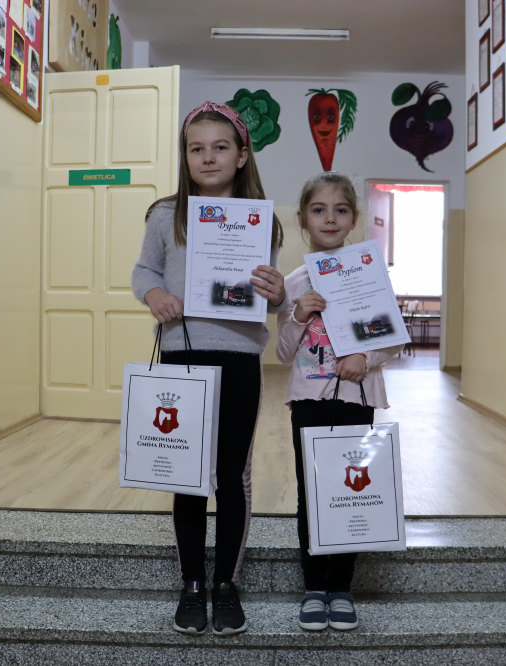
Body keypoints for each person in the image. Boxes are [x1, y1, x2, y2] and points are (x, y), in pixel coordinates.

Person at [132, 102, 285, 636]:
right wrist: (153, 294)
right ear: (186, 157)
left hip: (239, 359)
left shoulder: (261, 219)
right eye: (196, 148)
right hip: (182, 355)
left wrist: (277, 293)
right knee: (187, 476)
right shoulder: (165, 214)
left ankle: (226, 584)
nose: (208, 157)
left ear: (242, 155)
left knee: (231, 476)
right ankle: (193, 584)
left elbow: (270, 296)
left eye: (220, 147)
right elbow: (144, 271)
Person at [276, 172, 402, 631]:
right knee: (311, 493)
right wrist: (298, 315)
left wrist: (364, 358)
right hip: (309, 400)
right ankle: (314, 587)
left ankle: (341, 589)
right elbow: (283, 353)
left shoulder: (370, 273)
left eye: (340, 210)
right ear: (302, 219)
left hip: (356, 399)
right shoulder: (294, 283)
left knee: (351, 492)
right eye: (319, 209)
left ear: (354, 218)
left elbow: (393, 340)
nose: (330, 218)